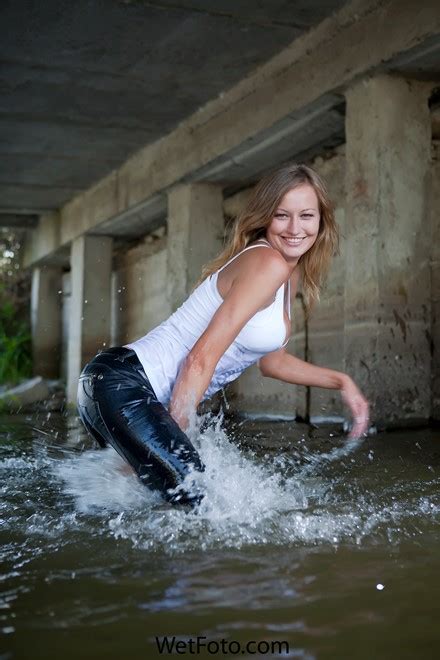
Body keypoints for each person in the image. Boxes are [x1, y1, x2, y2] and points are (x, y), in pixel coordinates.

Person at [77, 163, 369, 506]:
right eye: (281, 215)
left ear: (321, 221)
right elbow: (200, 359)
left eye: (306, 215)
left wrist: (342, 382)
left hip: (112, 389)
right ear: (265, 218)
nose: (295, 228)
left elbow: (272, 363)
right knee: (196, 499)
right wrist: (179, 436)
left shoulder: (286, 277)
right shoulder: (268, 264)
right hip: (125, 385)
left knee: (142, 503)